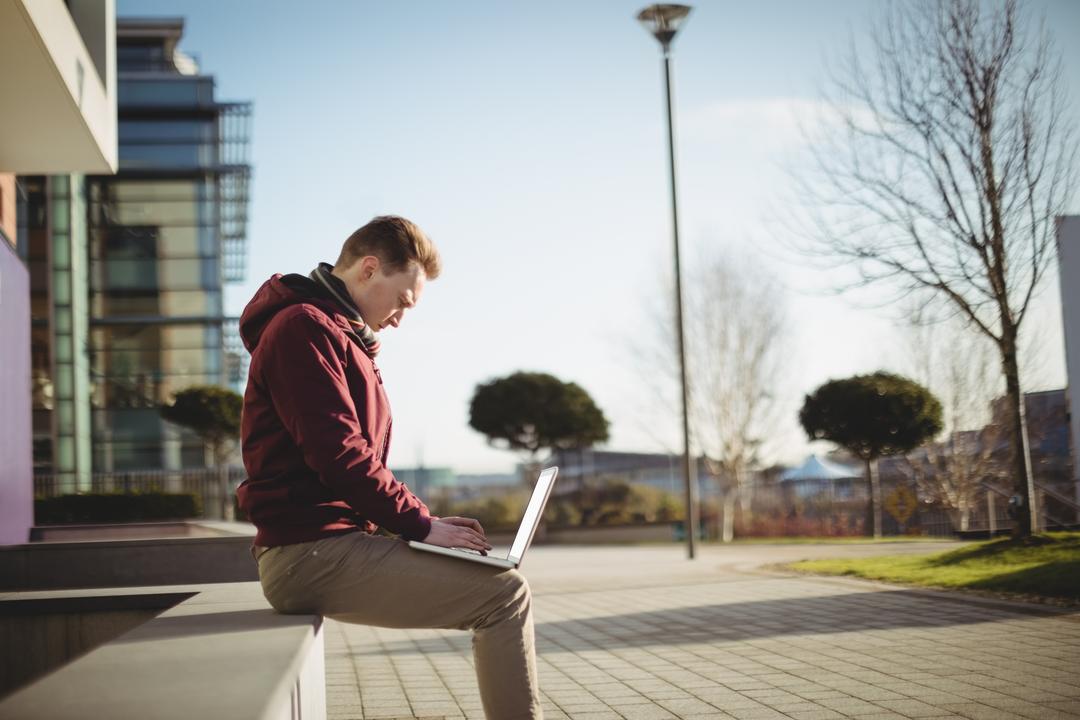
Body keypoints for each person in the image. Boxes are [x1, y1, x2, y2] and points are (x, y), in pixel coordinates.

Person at [237, 215, 542, 719]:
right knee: (503, 597)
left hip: (326, 543)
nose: (402, 318)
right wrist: (420, 524)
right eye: (402, 300)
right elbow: (340, 454)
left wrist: (425, 524)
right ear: (369, 270)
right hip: (308, 553)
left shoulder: (336, 333)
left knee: (500, 587)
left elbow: (350, 458)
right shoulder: (304, 328)